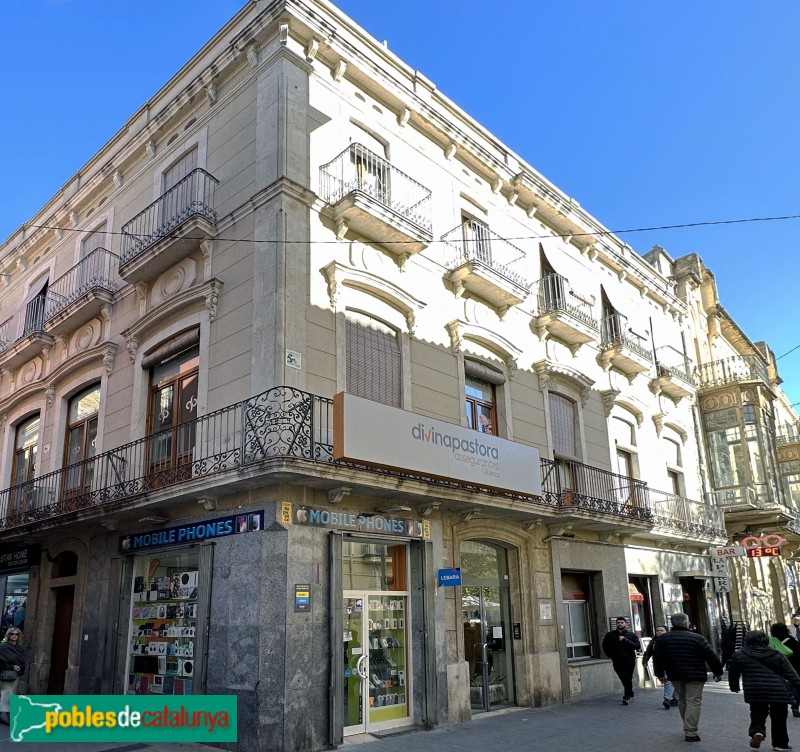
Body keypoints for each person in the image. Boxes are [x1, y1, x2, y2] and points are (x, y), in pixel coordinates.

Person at [653, 613, 723, 743]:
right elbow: (711, 656)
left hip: (675, 675)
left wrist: (660, 675)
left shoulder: (662, 639)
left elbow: (657, 659)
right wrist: (718, 672)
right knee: (693, 701)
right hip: (695, 675)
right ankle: (690, 732)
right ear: (686, 623)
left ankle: (687, 726)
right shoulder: (697, 638)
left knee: (682, 699)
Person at [728, 629, 800, 751]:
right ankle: (780, 744)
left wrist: (734, 687)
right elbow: (791, 674)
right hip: (778, 690)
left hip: (755, 690)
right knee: (779, 716)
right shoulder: (777, 654)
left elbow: (733, 672)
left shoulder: (740, 654)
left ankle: (758, 732)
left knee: (757, 713)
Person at [602, 616, 641, 705]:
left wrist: (625, 640)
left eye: (622, 622)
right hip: (617, 659)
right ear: (616, 624)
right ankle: (630, 692)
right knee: (622, 677)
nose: (620, 624)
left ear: (625, 624)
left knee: (628, 676)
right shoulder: (610, 635)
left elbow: (637, 646)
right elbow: (605, 646)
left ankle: (627, 696)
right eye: (618, 623)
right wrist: (610, 655)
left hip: (629, 659)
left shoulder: (631, 635)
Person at [643, 625, 678, 709]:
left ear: (666, 631)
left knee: (670, 681)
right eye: (657, 630)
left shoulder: (672, 640)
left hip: (672, 664)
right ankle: (674, 698)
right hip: (660, 665)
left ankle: (667, 699)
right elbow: (648, 652)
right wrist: (645, 661)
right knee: (670, 681)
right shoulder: (654, 641)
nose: (659, 632)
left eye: (661, 630)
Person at [770, 623, 800, 718]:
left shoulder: (772, 641)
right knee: (795, 687)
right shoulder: (792, 641)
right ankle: (795, 706)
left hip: (778, 669)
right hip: (794, 667)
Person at [0, 627, 25, 725]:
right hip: (6, 674)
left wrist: (19, 667)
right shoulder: (3, 647)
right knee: (7, 696)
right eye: (12, 634)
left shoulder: (19, 648)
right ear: (8, 635)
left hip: (15, 676)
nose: (14, 636)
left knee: (8, 696)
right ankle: (11, 718)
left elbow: (22, 661)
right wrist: (11, 667)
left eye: (16, 634)